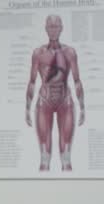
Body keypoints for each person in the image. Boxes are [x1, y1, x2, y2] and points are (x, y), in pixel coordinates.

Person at [25, 14, 85, 171]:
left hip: (65, 101)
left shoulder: (70, 52)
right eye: (50, 26)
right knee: (44, 157)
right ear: (46, 29)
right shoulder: (38, 53)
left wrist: (82, 107)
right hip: (44, 101)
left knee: (66, 156)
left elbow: (77, 80)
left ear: (61, 28)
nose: (53, 30)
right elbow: (32, 81)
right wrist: (27, 107)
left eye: (56, 26)